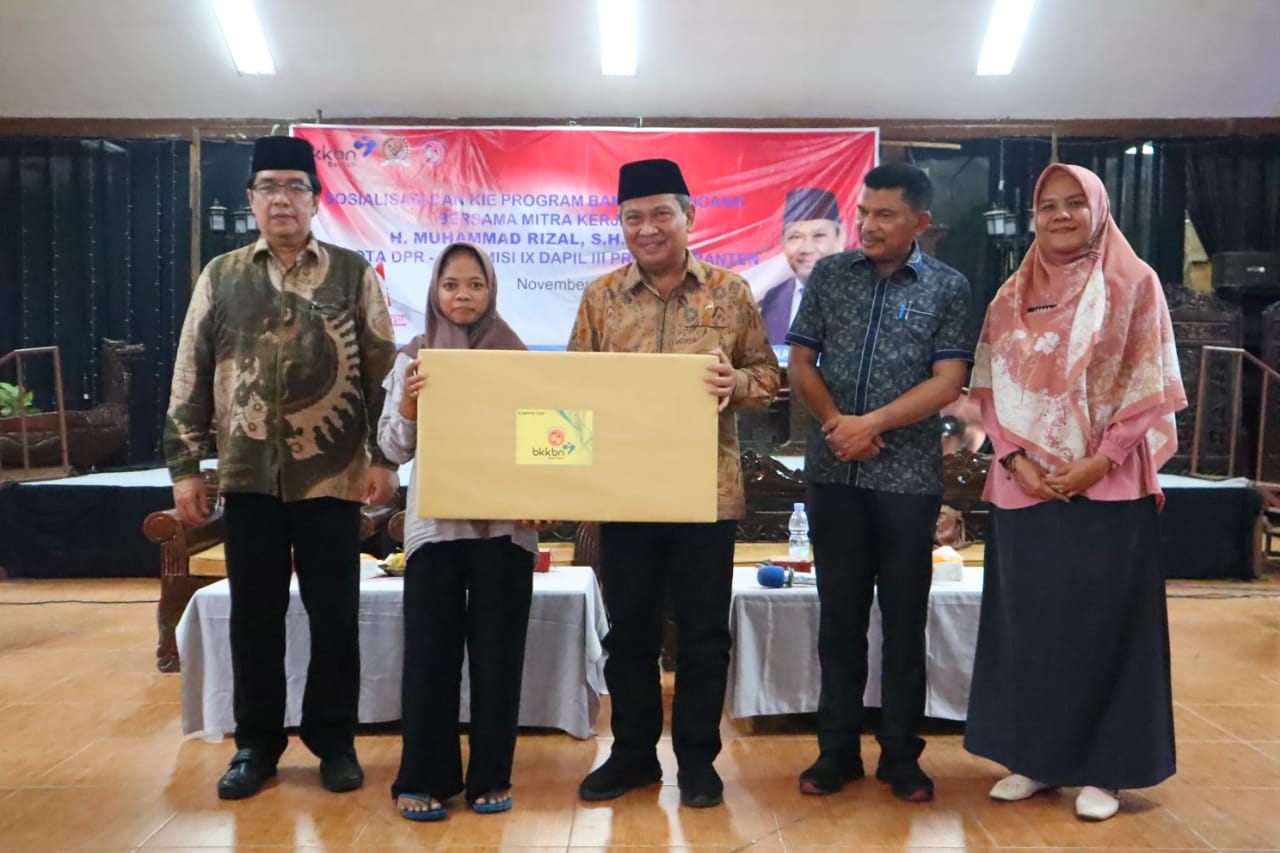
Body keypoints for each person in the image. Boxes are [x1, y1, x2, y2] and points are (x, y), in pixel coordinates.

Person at [164, 135, 399, 800]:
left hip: (331, 479)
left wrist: (384, 458)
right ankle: (256, 743)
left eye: (295, 188)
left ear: (317, 200)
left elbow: (383, 372)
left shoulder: (353, 273)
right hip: (247, 478)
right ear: (251, 200)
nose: (282, 200)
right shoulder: (223, 274)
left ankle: (336, 741)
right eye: (269, 187)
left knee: (335, 614)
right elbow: (191, 371)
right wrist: (186, 465)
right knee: (254, 617)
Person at [964, 163, 1186, 821]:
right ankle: (1035, 756)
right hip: (1024, 489)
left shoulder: (1132, 283)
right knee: (1029, 629)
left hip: (1109, 488)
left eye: (1073, 204)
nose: (1060, 216)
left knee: (1106, 630)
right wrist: (1014, 458)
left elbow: (1150, 380)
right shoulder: (1009, 296)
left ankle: (1106, 769)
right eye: (1047, 205)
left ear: (1098, 210)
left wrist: (1102, 459)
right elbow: (989, 388)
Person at [569, 158, 780, 808]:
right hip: (625, 493)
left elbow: (768, 380)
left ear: (690, 217)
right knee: (628, 632)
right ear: (621, 224)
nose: (648, 227)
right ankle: (633, 755)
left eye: (661, 213)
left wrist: (736, 384)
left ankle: (697, 760)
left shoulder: (732, 292)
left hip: (704, 495)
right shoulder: (600, 296)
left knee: (702, 633)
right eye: (633, 216)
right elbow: (574, 389)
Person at [786, 162, 973, 803]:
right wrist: (841, 424)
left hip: (907, 481)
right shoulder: (832, 275)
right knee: (838, 621)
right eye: (863, 212)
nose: (868, 224)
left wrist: (874, 424)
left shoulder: (948, 287)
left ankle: (902, 756)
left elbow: (948, 382)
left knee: (903, 621)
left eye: (885, 214)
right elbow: (802, 362)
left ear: (921, 221)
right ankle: (836, 752)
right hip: (834, 472)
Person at [379, 241, 544, 821]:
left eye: (475, 284)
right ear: (435, 291)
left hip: (507, 529)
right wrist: (412, 407)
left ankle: (490, 777)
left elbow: (549, 443)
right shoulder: (415, 359)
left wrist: (544, 501)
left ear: (491, 290)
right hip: (436, 531)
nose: (463, 295)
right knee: (430, 655)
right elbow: (393, 448)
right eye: (451, 284)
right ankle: (423, 777)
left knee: (499, 657)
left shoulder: (519, 358)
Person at [759, 187, 845, 344]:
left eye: (818, 236)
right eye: (795, 237)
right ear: (783, 243)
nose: (806, 249)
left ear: (840, 239)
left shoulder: (859, 295)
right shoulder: (768, 300)